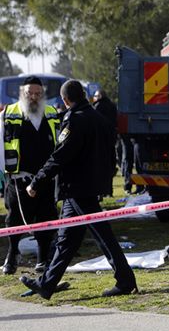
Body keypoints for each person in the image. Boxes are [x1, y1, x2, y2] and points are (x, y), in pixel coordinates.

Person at [20, 80, 137, 299]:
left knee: (103, 236)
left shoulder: (74, 120)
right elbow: (112, 155)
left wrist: (36, 182)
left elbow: (60, 156)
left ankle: (125, 280)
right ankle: (47, 284)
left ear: (65, 100)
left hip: (77, 188)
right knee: (67, 239)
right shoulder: (99, 118)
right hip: (88, 187)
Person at [0, 76, 59, 275]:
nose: (33, 97)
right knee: (14, 219)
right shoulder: (8, 113)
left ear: (43, 94)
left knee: (46, 217)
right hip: (18, 179)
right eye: (29, 94)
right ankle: (12, 256)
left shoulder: (52, 113)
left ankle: (42, 259)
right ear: (22, 94)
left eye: (37, 94)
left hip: (45, 178)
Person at [92, 89, 117, 197]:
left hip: (100, 141)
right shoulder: (112, 105)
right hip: (111, 140)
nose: (94, 98)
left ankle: (100, 193)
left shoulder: (97, 107)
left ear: (100, 96)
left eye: (95, 96)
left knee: (99, 167)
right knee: (109, 167)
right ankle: (109, 191)